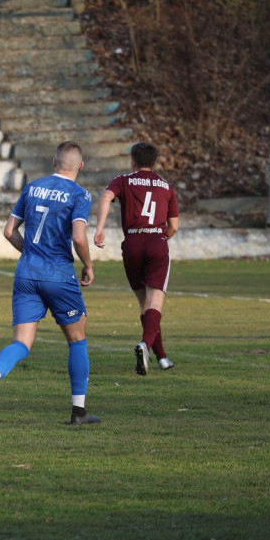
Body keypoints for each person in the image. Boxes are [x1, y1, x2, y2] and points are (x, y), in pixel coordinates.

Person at [0, 142, 100, 425]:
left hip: (26, 274)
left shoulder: (33, 187)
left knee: (22, 342)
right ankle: (78, 412)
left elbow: (9, 231)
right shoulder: (80, 194)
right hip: (59, 275)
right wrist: (88, 265)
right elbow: (79, 238)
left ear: (53, 162)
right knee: (77, 339)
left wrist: (33, 254)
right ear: (80, 166)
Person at [93, 141, 179, 375]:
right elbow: (174, 226)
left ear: (133, 161)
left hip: (131, 244)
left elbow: (105, 198)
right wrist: (160, 240)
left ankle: (161, 357)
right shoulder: (166, 186)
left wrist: (99, 228)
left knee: (144, 304)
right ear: (154, 162)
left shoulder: (123, 180)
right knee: (155, 304)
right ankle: (145, 345)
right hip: (156, 242)